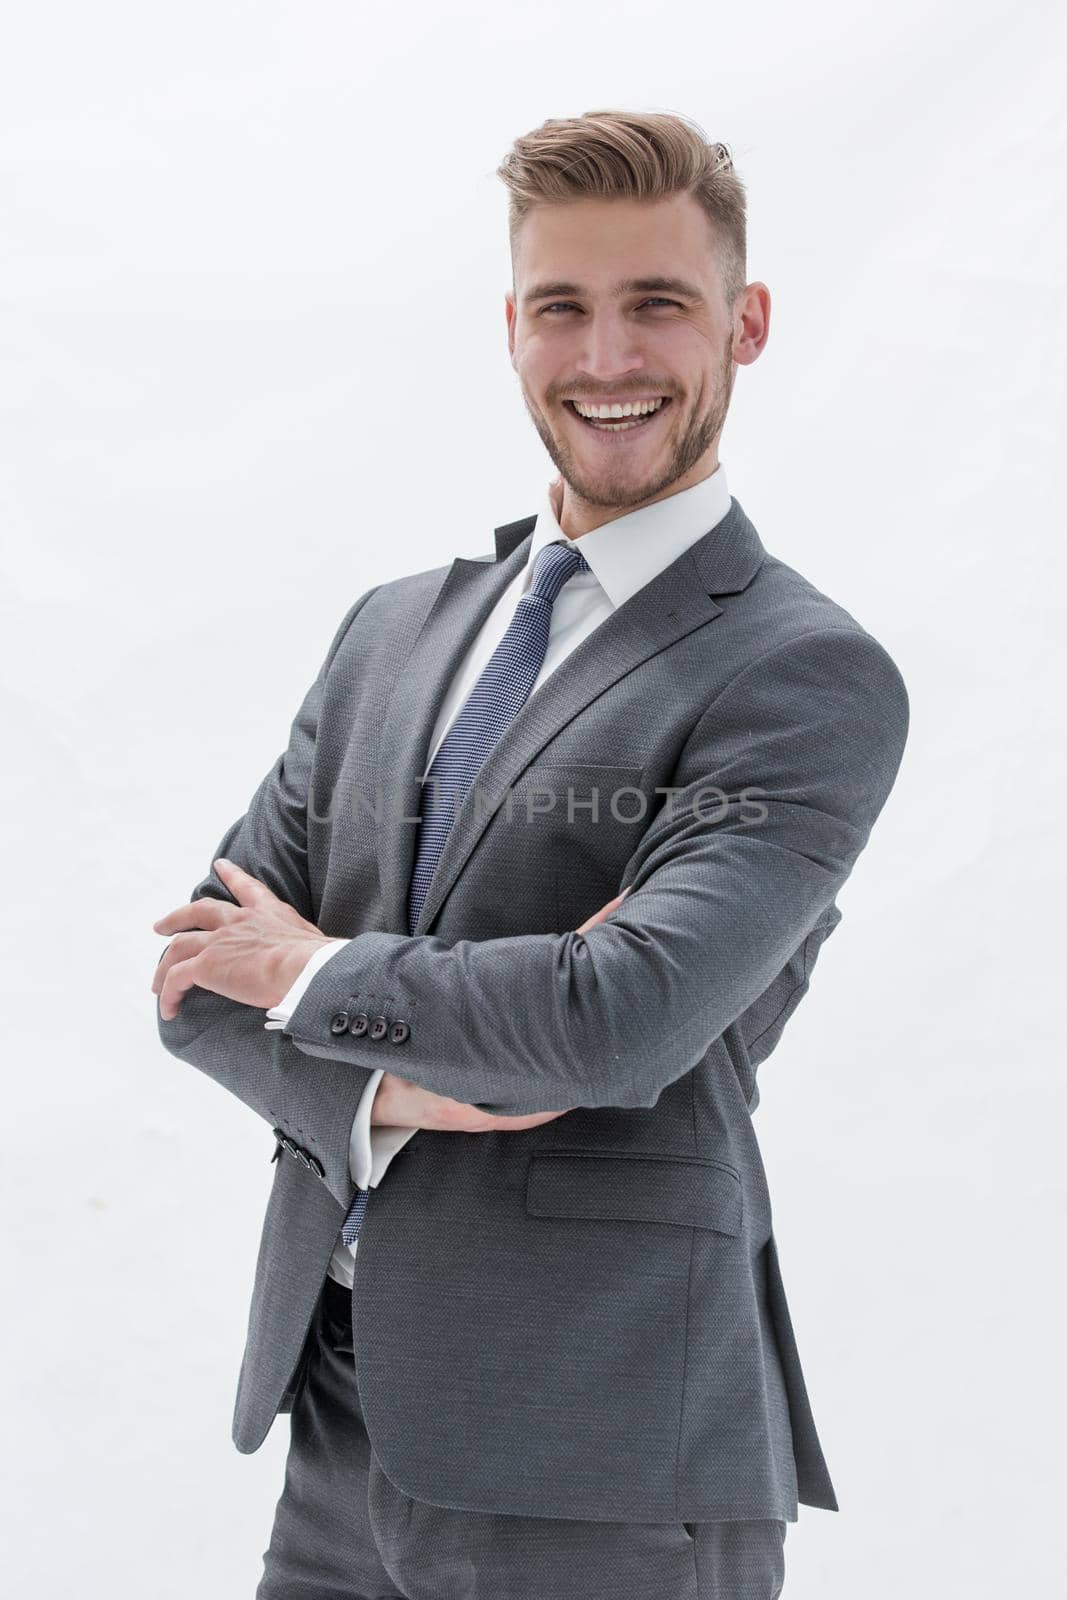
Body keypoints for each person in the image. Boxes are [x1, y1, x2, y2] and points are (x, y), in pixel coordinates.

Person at [152, 107, 910, 1600]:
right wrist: (385, 1081)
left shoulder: (801, 675)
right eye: (563, 307)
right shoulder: (392, 630)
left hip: (605, 1456)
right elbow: (196, 971)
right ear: (513, 329)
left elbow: (619, 1019)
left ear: (743, 325)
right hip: (337, 1430)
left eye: (658, 305)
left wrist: (315, 972)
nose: (606, 357)